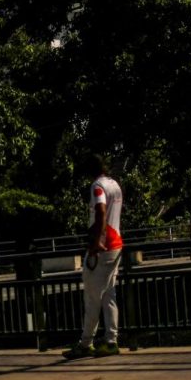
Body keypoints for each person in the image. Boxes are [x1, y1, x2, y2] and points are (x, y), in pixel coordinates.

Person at [65, 153, 124, 358]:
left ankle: (85, 343)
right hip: (116, 245)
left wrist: (97, 240)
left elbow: (100, 210)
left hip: (103, 247)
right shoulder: (114, 184)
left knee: (91, 296)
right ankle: (111, 340)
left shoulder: (97, 186)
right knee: (109, 294)